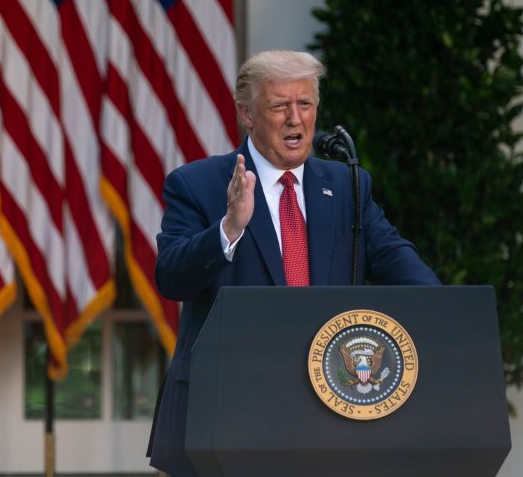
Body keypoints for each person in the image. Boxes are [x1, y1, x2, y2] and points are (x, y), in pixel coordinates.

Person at [147, 50, 440, 476]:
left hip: (326, 416)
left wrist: (446, 310)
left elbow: (395, 257)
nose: (295, 119)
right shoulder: (198, 184)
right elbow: (171, 278)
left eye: (305, 104)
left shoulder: (347, 186)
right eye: (279, 106)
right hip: (225, 416)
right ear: (247, 114)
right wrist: (229, 227)